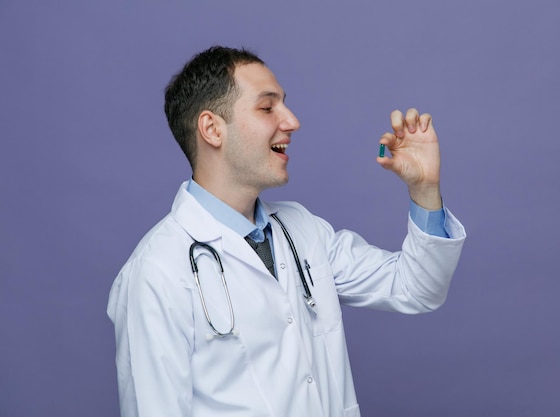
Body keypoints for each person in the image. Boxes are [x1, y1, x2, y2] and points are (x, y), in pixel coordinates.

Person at [107, 45, 466, 417]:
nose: (292, 121)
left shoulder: (302, 230)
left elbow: (416, 289)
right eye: (267, 107)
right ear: (212, 129)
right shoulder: (157, 271)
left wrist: (424, 189)